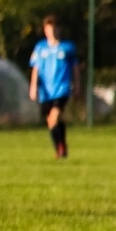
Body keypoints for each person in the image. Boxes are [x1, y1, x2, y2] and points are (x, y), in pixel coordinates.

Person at [28, 15, 79, 159]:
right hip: (45, 91)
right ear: (45, 31)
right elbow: (35, 68)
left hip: (62, 88)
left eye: (55, 29)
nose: (53, 32)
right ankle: (60, 146)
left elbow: (75, 68)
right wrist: (33, 86)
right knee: (51, 121)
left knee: (54, 118)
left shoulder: (68, 47)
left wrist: (77, 85)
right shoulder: (40, 47)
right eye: (50, 29)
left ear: (59, 30)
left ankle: (61, 149)